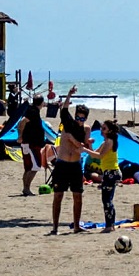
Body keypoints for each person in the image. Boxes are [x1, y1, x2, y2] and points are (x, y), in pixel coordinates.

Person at [50, 85, 88, 235]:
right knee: (58, 195)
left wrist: (71, 139)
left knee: (77, 196)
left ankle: (77, 225)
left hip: (76, 165)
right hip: (62, 164)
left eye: (82, 118)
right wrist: (69, 94)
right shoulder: (68, 124)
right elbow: (64, 110)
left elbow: (82, 146)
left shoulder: (85, 129)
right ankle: (55, 227)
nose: (79, 120)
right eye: (78, 116)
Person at [81, 119, 121, 233]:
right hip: (108, 173)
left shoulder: (109, 141)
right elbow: (94, 154)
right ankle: (110, 225)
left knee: (107, 200)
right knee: (107, 199)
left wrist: (84, 149)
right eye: (101, 128)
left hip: (111, 172)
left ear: (110, 130)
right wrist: (89, 145)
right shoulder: (105, 142)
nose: (101, 131)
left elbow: (99, 156)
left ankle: (110, 225)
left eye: (104, 129)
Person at [16, 95, 47, 196]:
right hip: (31, 144)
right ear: (41, 103)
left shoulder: (32, 110)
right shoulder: (33, 111)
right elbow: (22, 122)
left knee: (29, 167)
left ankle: (25, 188)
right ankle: (26, 188)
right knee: (35, 167)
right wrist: (20, 136)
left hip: (29, 143)